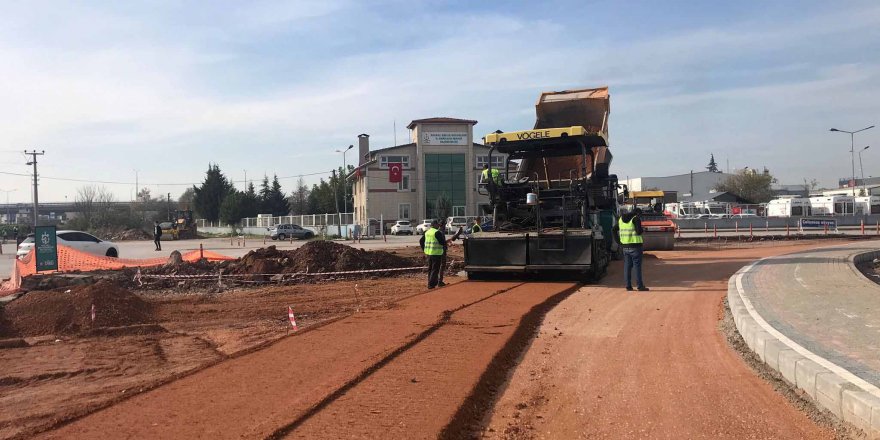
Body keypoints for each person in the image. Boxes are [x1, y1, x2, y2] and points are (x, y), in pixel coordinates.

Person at [613, 208, 649, 292]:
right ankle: (640, 286)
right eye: (640, 215)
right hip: (636, 247)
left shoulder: (621, 219)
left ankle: (628, 286)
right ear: (637, 213)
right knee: (637, 267)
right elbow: (638, 231)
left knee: (627, 267)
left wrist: (619, 242)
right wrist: (642, 229)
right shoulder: (635, 219)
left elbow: (614, 230)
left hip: (625, 247)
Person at [419, 219, 447, 289]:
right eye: (437, 224)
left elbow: (421, 241)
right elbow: (442, 242)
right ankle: (431, 284)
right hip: (436, 254)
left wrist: (424, 249)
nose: (438, 225)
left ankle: (430, 282)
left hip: (429, 253)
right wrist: (446, 242)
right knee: (435, 269)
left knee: (430, 269)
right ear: (434, 225)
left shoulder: (427, 232)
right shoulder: (437, 232)